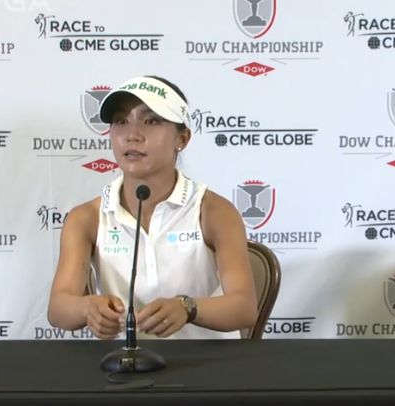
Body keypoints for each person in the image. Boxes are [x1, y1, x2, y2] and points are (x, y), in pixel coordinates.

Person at [47, 75, 258, 340]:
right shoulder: (86, 218)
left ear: (182, 138)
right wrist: (87, 308)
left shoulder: (214, 211)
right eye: (121, 122)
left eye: (151, 121)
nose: (132, 135)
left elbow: (244, 307)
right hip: (124, 362)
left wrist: (188, 308)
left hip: (205, 362)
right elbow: (58, 308)